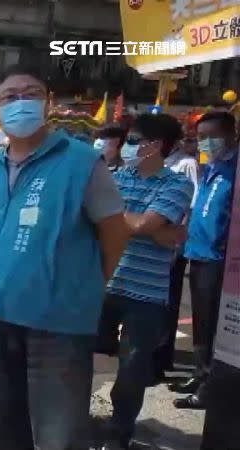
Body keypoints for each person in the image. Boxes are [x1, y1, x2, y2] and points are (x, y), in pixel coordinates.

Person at [0, 64, 129, 450]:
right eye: (10, 97)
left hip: (57, 324)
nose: (20, 103)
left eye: (30, 93)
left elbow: (115, 232)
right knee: (2, 431)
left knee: (57, 436)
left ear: (48, 103)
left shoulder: (81, 162)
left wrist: (87, 284)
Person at [97, 114, 194, 450]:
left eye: (134, 139)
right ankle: (71, 418)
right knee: (75, 354)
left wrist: (121, 218)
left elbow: (142, 224)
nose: (127, 146)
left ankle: (118, 434)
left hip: (147, 294)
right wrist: (156, 230)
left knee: (133, 370)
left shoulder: (178, 184)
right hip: (103, 284)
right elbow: (100, 219)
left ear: (155, 146)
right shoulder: (115, 176)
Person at [170, 111, 238, 410]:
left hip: (219, 259)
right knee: (200, 321)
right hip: (196, 253)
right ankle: (199, 375)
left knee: (212, 324)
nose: (205, 143)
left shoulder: (234, 169)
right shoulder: (212, 167)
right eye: (200, 138)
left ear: (231, 136)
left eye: (212, 137)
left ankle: (209, 387)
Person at [154, 133, 201, 377]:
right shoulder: (162, 163)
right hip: (156, 242)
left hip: (173, 243)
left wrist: (180, 242)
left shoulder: (186, 164)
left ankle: (162, 358)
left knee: (169, 301)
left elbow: (191, 206)